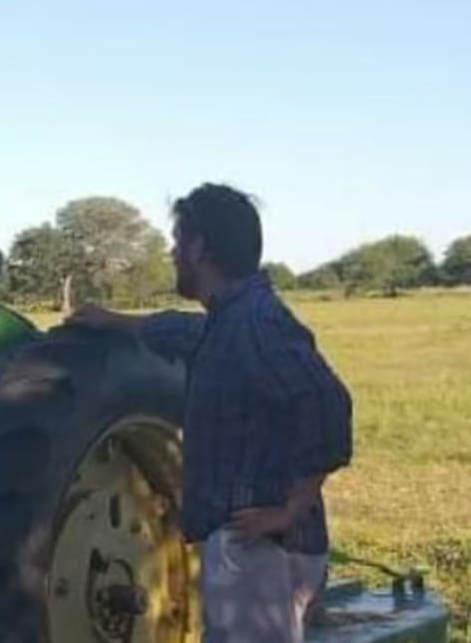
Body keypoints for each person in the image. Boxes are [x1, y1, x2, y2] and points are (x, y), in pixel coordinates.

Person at [67, 183, 353, 643]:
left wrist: (289, 508)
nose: (173, 251)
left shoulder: (258, 323)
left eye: (179, 240)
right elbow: (186, 332)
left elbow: (327, 402)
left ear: (200, 247)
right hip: (245, 546)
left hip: (260, 549)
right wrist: (114, 322)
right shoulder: (228, 322)